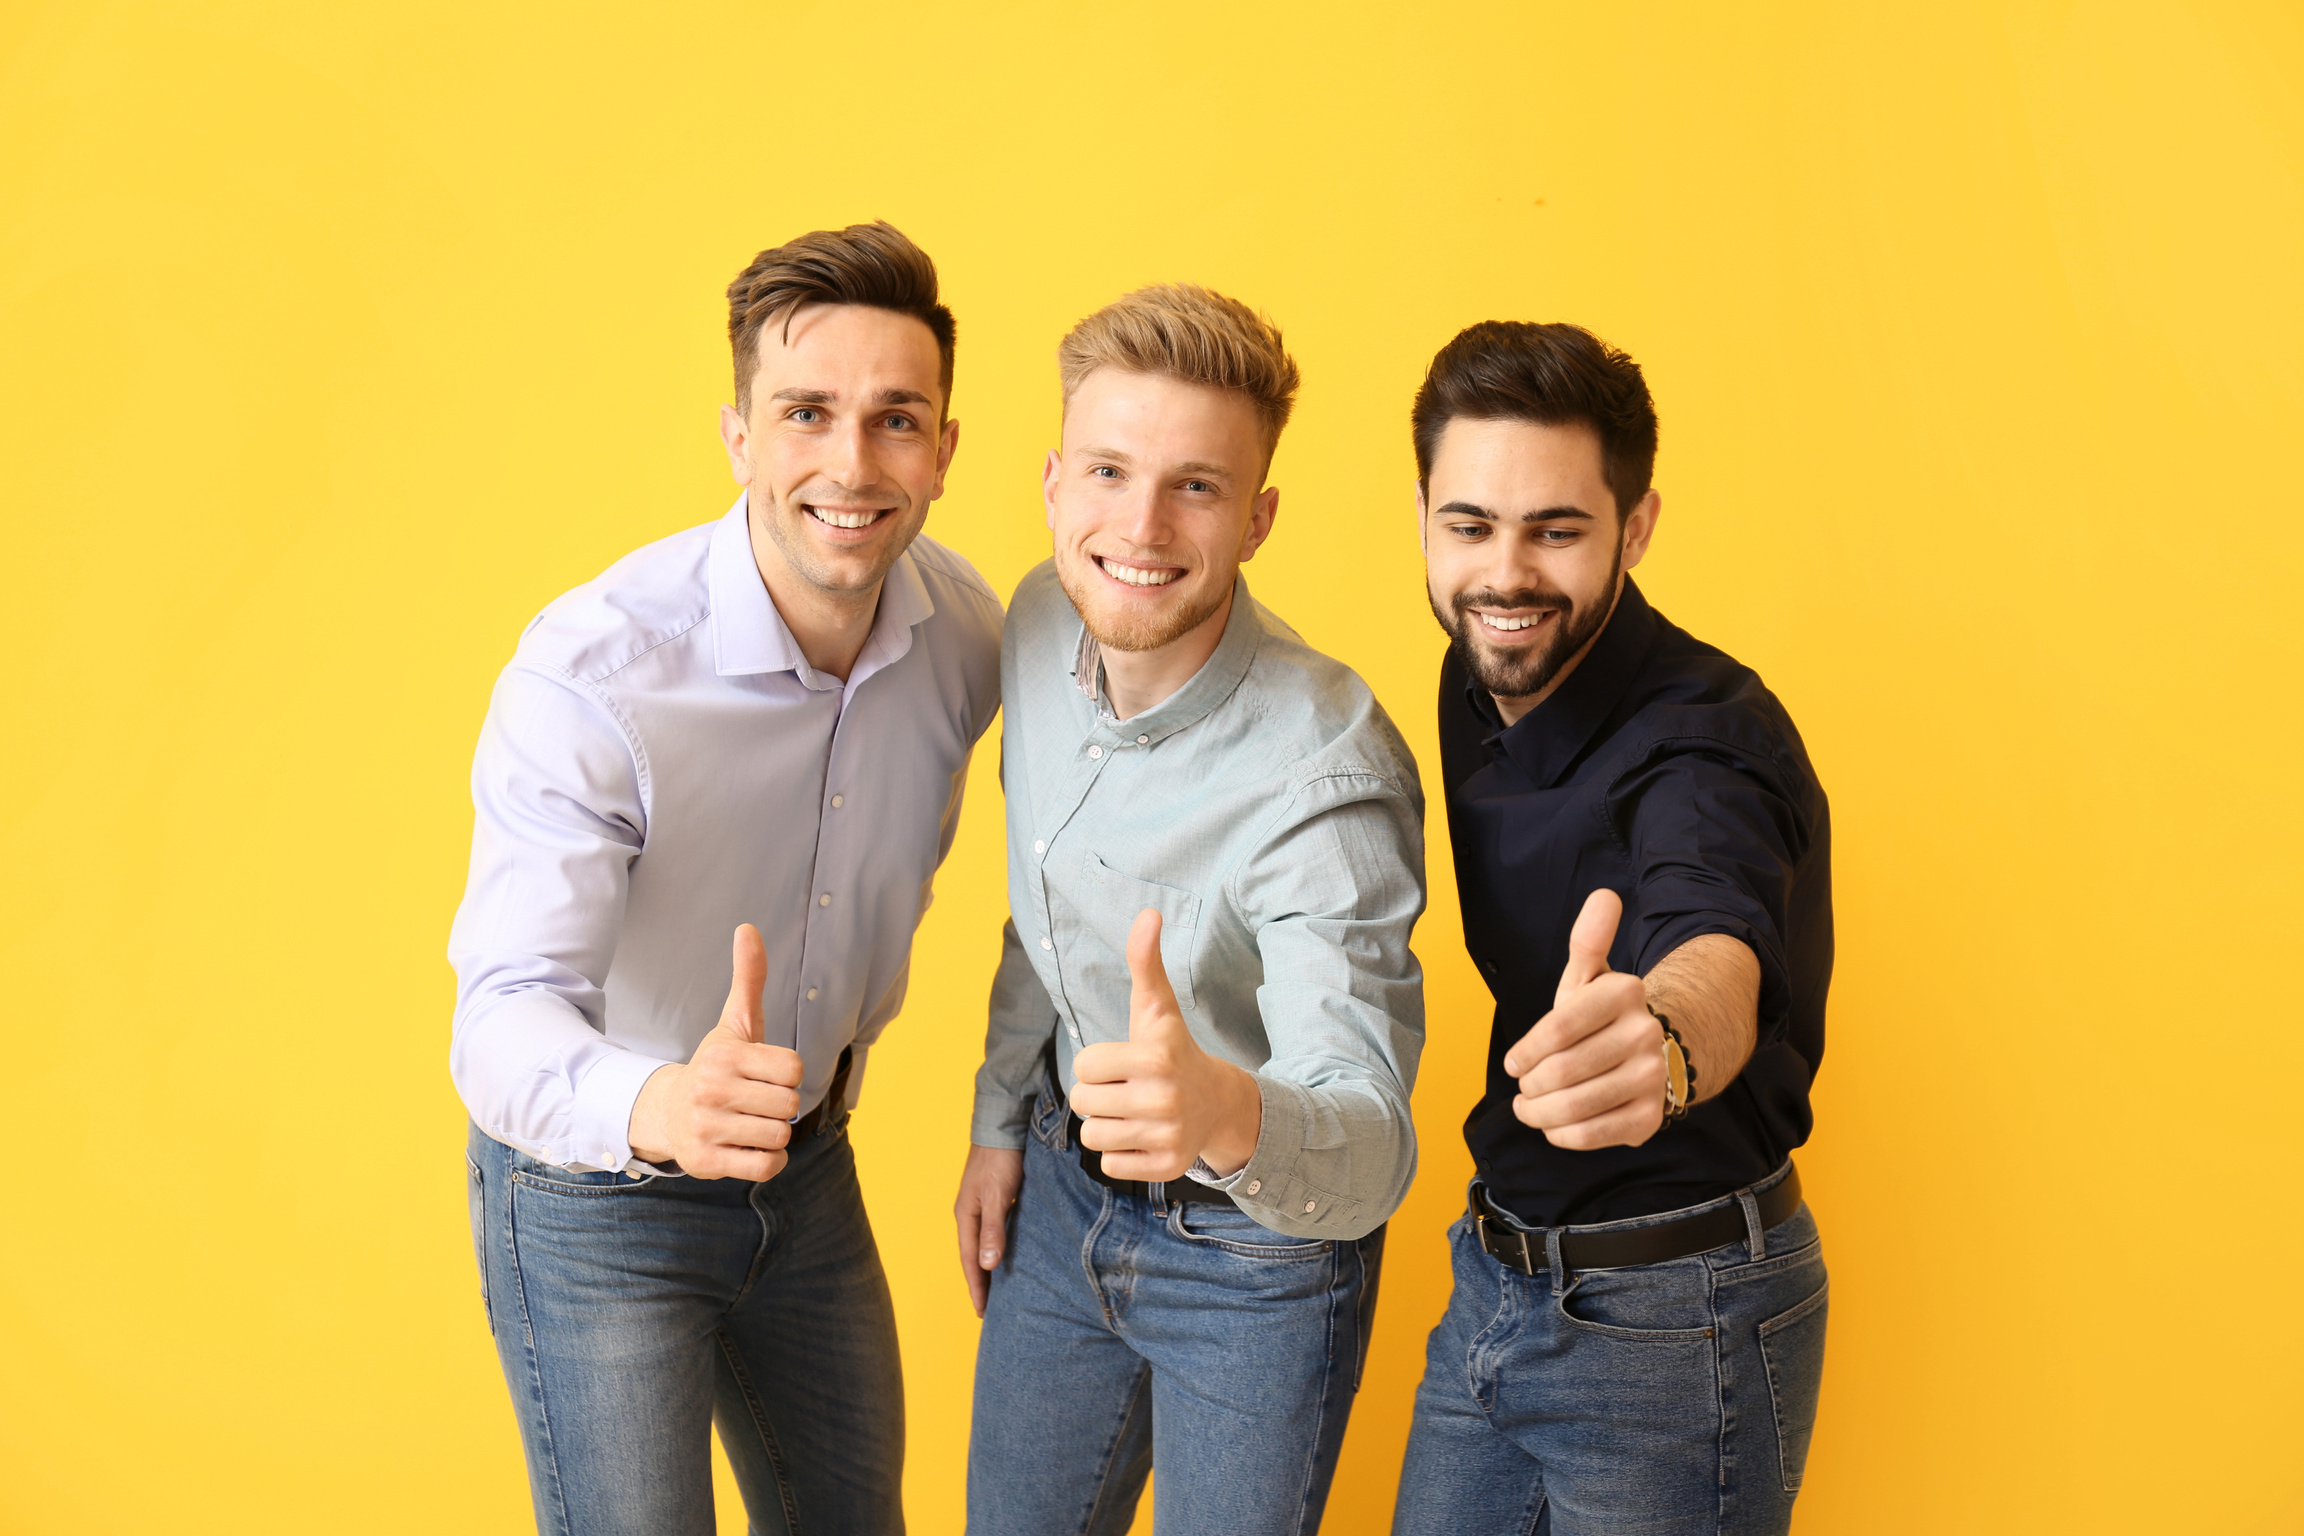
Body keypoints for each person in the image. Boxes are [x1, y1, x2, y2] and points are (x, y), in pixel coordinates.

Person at [448, 221, 1000, 1536]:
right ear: (739, 436)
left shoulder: (967, 632)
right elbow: (500, 1013)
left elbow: (1089, 813)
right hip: (595, 1198)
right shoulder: (596, 674)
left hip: (808, 1178)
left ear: (945, 448)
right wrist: (664, 1104)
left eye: (896, 419)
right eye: (805, 413)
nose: (853, 466)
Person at [954, 284, 1426, 1535]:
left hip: (1253, 1261)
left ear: (1259, 518)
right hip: (1060, 1197)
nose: (1142, 525)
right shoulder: (1039, 619)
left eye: (1198, 488)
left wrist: (1225, 1109)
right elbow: (1040, 903)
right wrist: (1001, 1120)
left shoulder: (1326, 773)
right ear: (1054, 480)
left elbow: (1374, 1143)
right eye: (1109, 470)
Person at [1391, 321, 1834, 1536]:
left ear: (1636, 531)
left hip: (1675, 1317)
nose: (1507, 575)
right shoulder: (1479, 663)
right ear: (1425, 512)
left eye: (1558, 530)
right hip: (1498, 1276)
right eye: (1470, 524)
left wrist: (1667, 1039)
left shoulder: (1709, 744)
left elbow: (1715, 931)